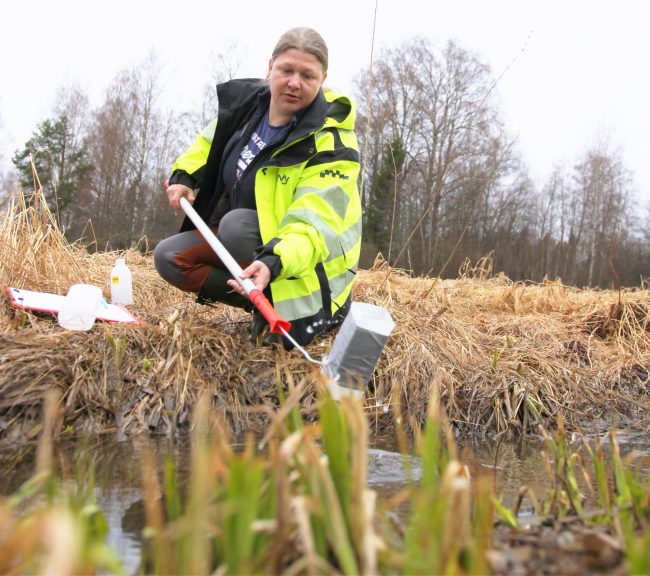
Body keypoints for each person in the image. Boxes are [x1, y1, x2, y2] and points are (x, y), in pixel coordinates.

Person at [154, 27, 362, 348]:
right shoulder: (251, 107)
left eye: (307, 75)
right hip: (260, 244)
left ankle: (292, 313)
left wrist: (273, 260)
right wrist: (184, 175)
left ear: (323, 78)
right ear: (270, 66)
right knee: (170, 257)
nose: (294, 82)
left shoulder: (332, 143)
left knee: (235, 226)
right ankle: (259, 303)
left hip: (305, 266)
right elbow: (212, 140)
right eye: (286, 70)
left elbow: (314, 223)